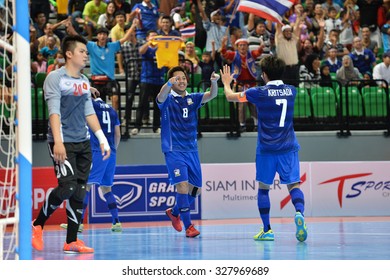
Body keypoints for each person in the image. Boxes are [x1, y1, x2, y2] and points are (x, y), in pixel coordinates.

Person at [31, 35, 111, 254]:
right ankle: (37, 225)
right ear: (69, 53)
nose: (86, 54)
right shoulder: (55, 78)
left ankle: (71, 241)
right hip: (62, 141)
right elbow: (54, 111)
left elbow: (89, 112)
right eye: (83, 51)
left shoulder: (84, 81)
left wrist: (102, 139)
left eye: (86, 52)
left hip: (83, 142)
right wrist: (58, 141)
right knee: (68, 187)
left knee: (80, 192)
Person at [220, 56, 308, 242]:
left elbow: (229, 97)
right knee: (294, 185)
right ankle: (299, 213)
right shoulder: (291, 91)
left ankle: (267, 229)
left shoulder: (258, 92)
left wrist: (227, 83)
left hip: (267, 149)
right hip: (288, 148)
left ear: (264, 74)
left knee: (263, 189)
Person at [158, 66, 220, 238]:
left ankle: (175, 212)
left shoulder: (193, 98)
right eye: (177, 78)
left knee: (196, 190)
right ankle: (189, 226)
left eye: (184, 78)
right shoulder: (167, 100)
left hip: (192, 150)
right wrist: (168, 84)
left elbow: (212, 95)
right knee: (183, 187)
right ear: (171, 81)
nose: (182, 81)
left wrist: (214, 83)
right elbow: (161, 96)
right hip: (174, 150)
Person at [60, 90, 122, 232]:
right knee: (106, 188)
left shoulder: (90, 106)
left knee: (85, 186)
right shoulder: (112, 110)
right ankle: (116, 222)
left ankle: (78, 223)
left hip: (97, 150)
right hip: (111, 152)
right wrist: (112, 150)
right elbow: (117, 133)